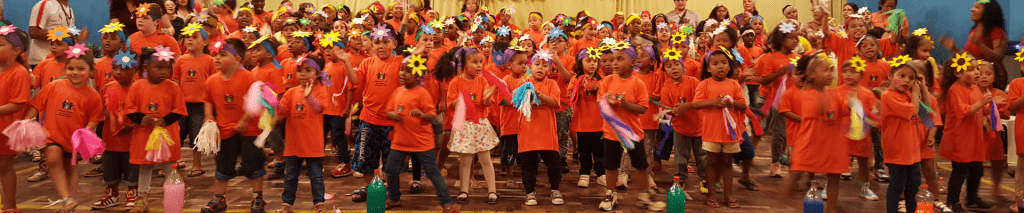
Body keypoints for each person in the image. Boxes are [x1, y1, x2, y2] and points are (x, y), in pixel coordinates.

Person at [24, 42, 104, 213]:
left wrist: (87, 130)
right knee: (53, 159)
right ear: (65, 69)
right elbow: (36, 105)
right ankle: (66, 198)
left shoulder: (93, 95)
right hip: (52, 135)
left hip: (73, 139)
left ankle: (70, 202)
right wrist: (25, 121)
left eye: (80, 69)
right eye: (71, 68)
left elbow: (95, 117)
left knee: (71, 168)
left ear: (90, 71)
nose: (75, 73)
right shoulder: (54, 86)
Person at [381, 55, 457, 212]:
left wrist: (422, 115)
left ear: (417, 74)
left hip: (421, 142)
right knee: (390, 169)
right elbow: (388, 112)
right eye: (401, 70)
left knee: (433, 172)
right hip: (400, 141)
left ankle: (447, 203)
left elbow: (431, 115)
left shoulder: (422, 93)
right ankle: (393, 198)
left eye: (408, 71)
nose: (402, 73)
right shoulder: (397, 92)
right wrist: (393, 115)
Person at [200, 38, 267, 213]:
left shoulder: (249, 78)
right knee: (222, 164)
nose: (217, 58)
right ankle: (219, 198)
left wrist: (244, 120)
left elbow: (256, 100)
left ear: (238, 60)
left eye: (223, 54)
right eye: (215, 54)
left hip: (249, 130)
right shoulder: (211, 81)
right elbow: (207, 100)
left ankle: (257, 197)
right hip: (225, 130)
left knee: (253, 163)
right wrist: (208, 116)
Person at [597, 41, 666, 211]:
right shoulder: (607, 81)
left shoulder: (638, 84)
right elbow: (600, 102)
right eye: (613, 59)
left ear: (633, 63)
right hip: (612, 133)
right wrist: (608, 102)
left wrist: (625, 104)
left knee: (641, 165)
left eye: (620, 59)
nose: (614, 63)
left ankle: (644, 195)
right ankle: (610, 194)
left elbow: (642, 108)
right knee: (611, 166)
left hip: (633, 133)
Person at [125, 46, 187, 213]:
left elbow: (179, 110)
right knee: (144, 167)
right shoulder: (137, 87)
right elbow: (130, 109)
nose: (164, 72)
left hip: (167, 136)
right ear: (146, 68)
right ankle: (142, 199)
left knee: (169, 168)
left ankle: (174, 201)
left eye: (167, 67)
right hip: (144, 135)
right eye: (158, 67)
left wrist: (165, 120)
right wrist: (141, 118)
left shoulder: (173, 87)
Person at [439, 47, 500, 204]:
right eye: (474, 62)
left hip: (479, 123)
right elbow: (452, 105)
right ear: (462, 65)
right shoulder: (455, 82)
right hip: (464, 123)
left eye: (480, 62)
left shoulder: (482, 80)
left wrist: (487, 97)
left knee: (485, 159)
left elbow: (486, 103)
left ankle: (492, 191)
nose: (479, 65)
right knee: (465, 160)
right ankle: (463, 190)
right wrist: (463, 99)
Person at [274, 54, 330, 213]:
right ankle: (287, 205)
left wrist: (309, 96)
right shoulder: (290, 93)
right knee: (290, 177)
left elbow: (319, 108)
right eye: (299, 70)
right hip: (293, 144)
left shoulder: (320, 90)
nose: (302, 74)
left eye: (308, 70)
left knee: (316, 177)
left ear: (318, 73)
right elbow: (281, 114)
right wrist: (271, 102)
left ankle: (319, 204)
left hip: (313, 143)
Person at [693, 49, 747, 209]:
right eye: (715, 64)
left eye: (724, 63)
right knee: (711, 162)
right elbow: (696, 104)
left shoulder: (734, 84)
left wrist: (731, 102)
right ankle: (711, 196)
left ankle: (728, 195)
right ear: (708, 68)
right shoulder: (704, 84)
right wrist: (713, 103)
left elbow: (743, 105)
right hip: (711, 133)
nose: (720, 67)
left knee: (727, 164)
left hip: (730, 134)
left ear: (729, 66)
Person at [939, 54, 992, 212]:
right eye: (971, 69)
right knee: (960, 172)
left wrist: (990, 106)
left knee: (977, 170)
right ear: (958, 73)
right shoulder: (955, 90)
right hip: (961, 138)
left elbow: (979, 110)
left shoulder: (974, 88)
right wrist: (982, 102)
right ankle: (952, 201)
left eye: (977, 68)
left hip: (974, 138)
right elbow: (963, 111)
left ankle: (972, 198)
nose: (976, 72)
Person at [92, 48, 140, 211]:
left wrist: (132, 126)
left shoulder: (139, 88)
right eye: (115, 68)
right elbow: (102, 112)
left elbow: (144, 115)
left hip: (132, 141)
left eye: (124, 69)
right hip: (111, 139)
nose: (118, 72)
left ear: (136, 69)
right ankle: (111, 195)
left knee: (132, 170)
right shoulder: (108, 87)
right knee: (110, 167)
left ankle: (132, 194)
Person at [880, 59, 928, 213]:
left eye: (911, 78)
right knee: (897, 185)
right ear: (890, 76)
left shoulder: (909, 95)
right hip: (898, 150)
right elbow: (913, 112)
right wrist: (915, 93)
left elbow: (928, 109)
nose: (906, 80)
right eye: (901, 76)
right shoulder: (889, 96)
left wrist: (922, 88)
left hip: (912, 151)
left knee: (914, 184)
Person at [173, 24, 217, 178]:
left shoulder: (210, 61)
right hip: (182, 105)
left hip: (200, 105)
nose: (189, 40)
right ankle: (173, 162)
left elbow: (214, 83)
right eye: (187, 37)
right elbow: (176, 81)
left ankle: (197, 164)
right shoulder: (181, 61)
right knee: (176, 133)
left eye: (194, 37)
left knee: (195, 135)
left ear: (205, 42)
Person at [660, 47, 704, 198]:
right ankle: (680, 179)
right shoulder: (666, 87)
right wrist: (671, 111)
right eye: (669, 66)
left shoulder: (694, 82)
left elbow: (700, 101)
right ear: (665, 71)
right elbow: (666, 109)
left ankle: (705, 179)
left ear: (683, 67)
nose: (674, 68)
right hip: (680, 128)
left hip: (699, 127)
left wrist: (687, 107)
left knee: (702, 156)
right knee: (680, 157)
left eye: (676, 64)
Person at [939, 0, 1007, 90]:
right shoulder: (973, 31)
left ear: (988, 11)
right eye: (973, 7)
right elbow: (970, 56)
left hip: (990, 79)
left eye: (977, 7)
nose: (972, 10)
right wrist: (954, 49)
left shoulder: (996, 32)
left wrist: (979, 44)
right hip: (975, 77)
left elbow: (998, 57)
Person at [0, 24, 29, 213]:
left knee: (4, 166)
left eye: (0, 44)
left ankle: (10, 206)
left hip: (6, 128)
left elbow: (18, 103)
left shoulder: (19, 72)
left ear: (16, 50)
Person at [29, 0, 85, 68]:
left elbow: (66, 37)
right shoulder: (46, 4)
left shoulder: (69, 9)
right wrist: (61, 34)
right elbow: (34, 32)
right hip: (42, 60)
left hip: (61, 61)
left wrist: (77, 38)